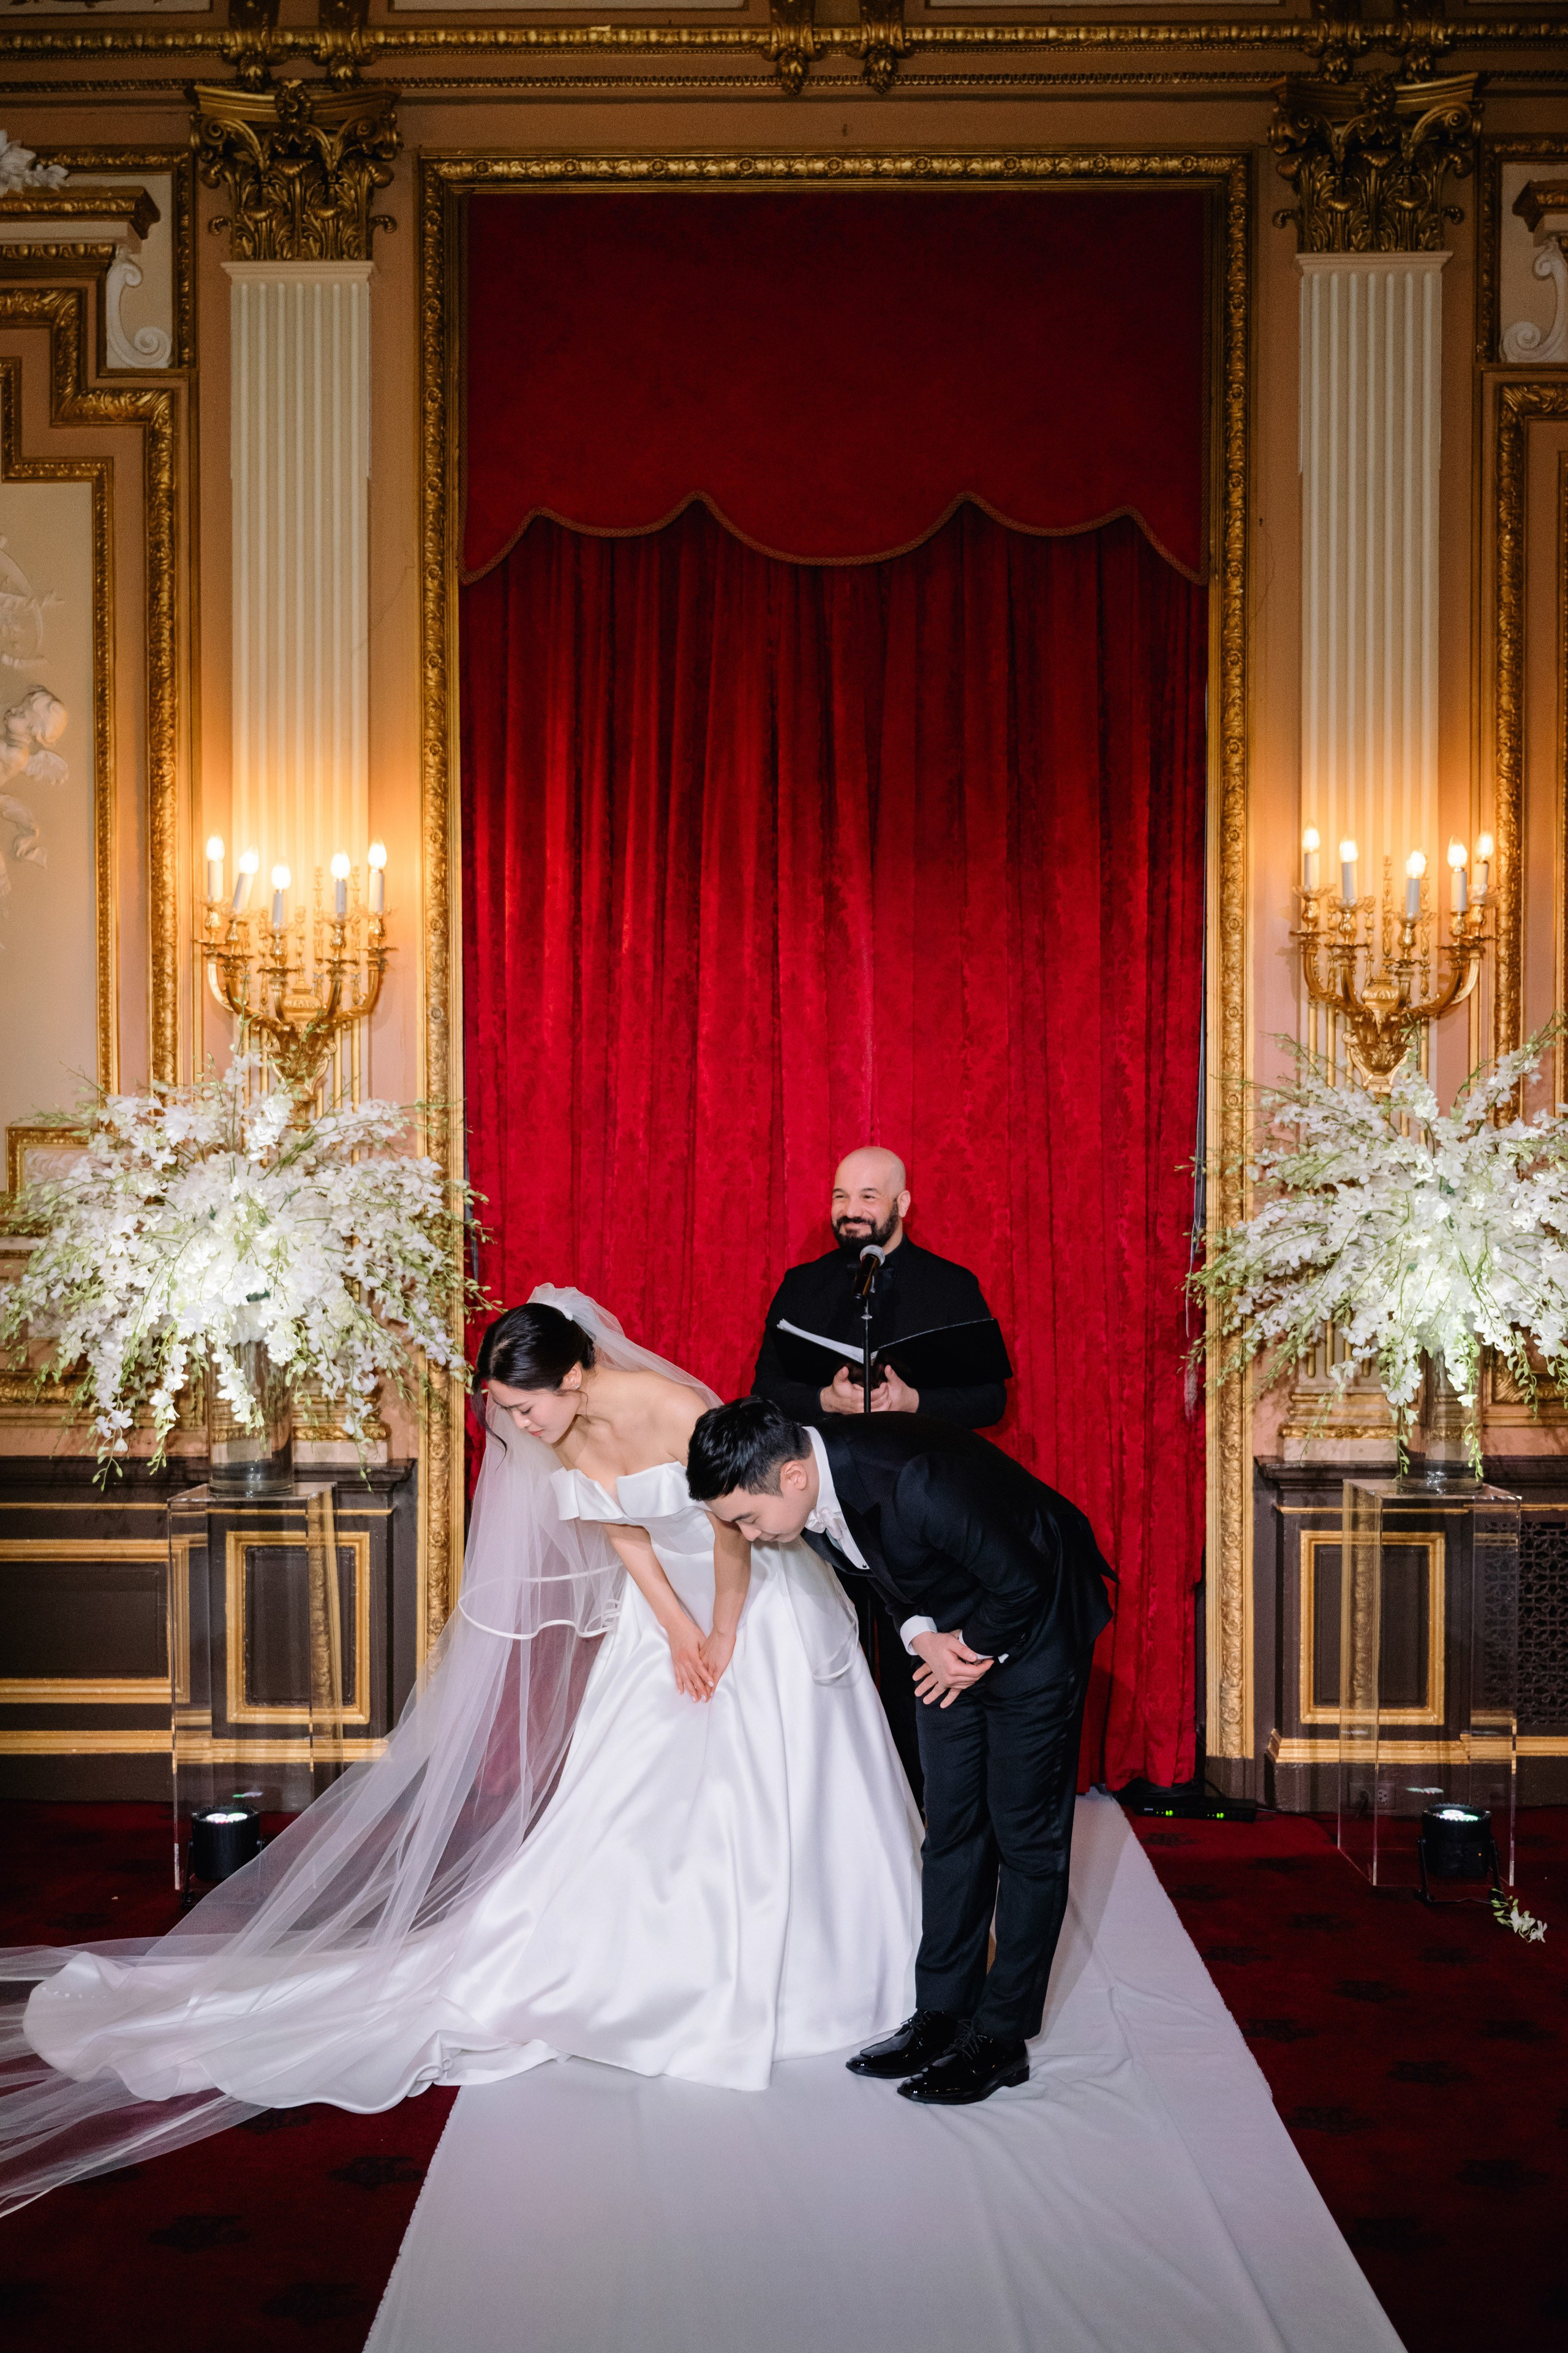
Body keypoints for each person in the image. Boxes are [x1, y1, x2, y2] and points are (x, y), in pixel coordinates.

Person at [0, 1293, 921, 2214]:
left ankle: (813, 1971)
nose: (519, 1430)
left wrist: (721, 1635)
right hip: (669, 1617)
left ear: (573, 1378)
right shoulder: (557, 1430)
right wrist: (674, 1628)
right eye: (509, 1414)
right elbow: (621, 1531)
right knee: (630, 1798)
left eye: (527, 1411)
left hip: (753, 1595)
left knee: (768, 1786)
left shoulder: (674, 1410)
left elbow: (730, 1527)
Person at [687, 1395, 1114, 2109]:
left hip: (1034, 1626)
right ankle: (942, 2012)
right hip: (949, 1632)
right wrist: (924, 1639)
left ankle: (1000, 2037)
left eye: (747, 1518)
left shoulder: (911, 1479)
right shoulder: (803, 1494)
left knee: (1024, 1835)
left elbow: (1024, 1578)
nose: (748, 1536)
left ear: (793, 1476)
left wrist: (970, 1649)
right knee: (949, 1827)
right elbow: (884, 1569)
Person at [752, 1146, 1011, 1800]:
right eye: (841, 1196)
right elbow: (763, 1389)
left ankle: (919, 1799)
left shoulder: (951, 1285)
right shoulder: (802, 1285)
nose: (850, 1210)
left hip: (919, 1509)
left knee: (911, 1656)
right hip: (823, 1508)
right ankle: (842, 1798)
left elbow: (991, 1401)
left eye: (868, 1196)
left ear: (902, 1203)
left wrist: (913, 1401)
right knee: (832, 1652)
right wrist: (825, 1402)